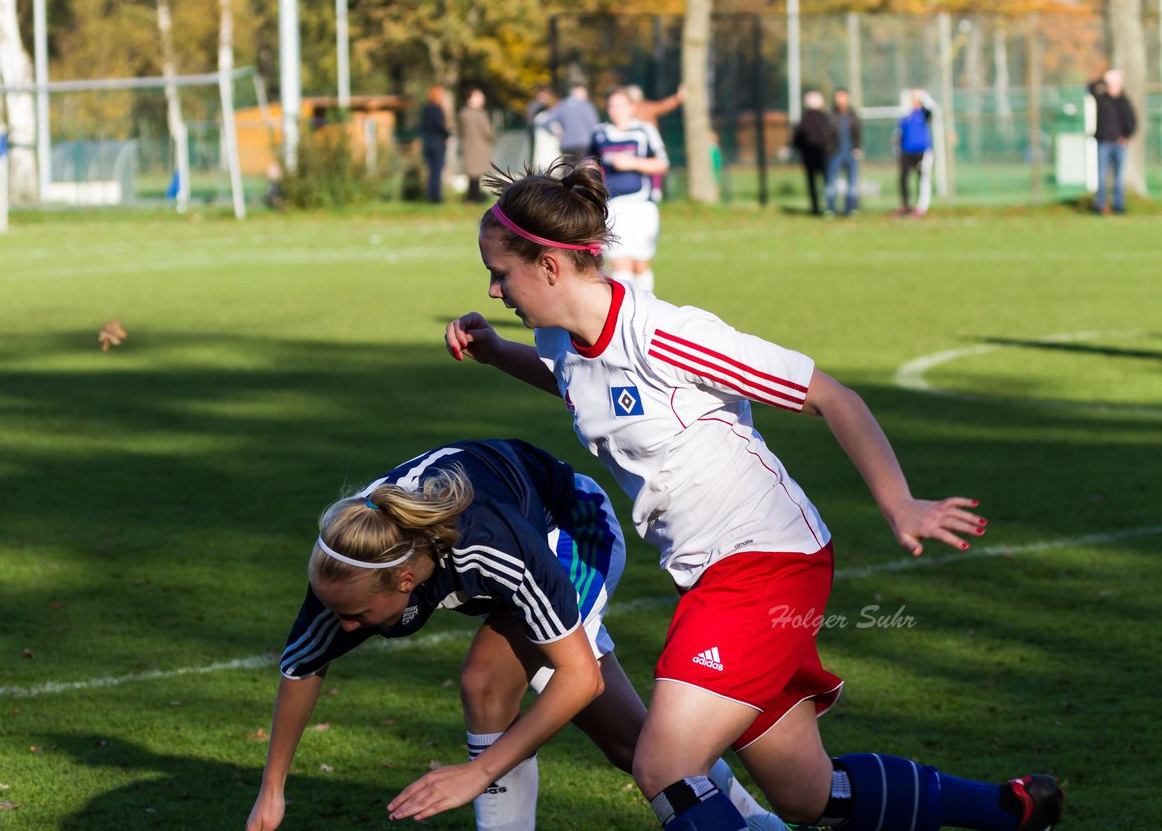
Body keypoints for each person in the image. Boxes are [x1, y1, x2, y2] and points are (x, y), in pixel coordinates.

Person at [443, 161, 1066, 831]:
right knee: (807, 795)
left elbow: (832, 396)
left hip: (765, 564)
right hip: (715, 574)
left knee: (664, 768)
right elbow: (577, 387)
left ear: (551, 268)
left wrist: (900, 503)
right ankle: (1010, 809)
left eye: (500, 272)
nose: (492, 287)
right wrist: (495, 351)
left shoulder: (667, 335)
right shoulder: (558, 338)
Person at [244, 439, 783, 831]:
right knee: (629, 744)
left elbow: (581, 678)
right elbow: (302, 666)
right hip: (508, 556)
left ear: (406, 579)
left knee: (486, 680)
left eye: (358, 616)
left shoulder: (488, 544)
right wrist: (272, 793)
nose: (346, 627)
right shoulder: (350, 565)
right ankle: (755, 820)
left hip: (571, 532)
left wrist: (479, 772)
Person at [589, 88, 668, 295]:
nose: (616, 111)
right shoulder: (600, 133)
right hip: (614, 206)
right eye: (612, 106)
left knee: (640, 263)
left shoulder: (644, 132)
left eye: (621, 106)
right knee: (620, 262)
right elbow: (589, 163)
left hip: (642, 205)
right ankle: (624, 313)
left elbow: (662, 164)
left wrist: (633, 162)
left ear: (631, 108)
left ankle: (647, 307)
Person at [1087, 68, 1135, 215]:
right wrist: (1104, 78)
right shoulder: (1102, 98)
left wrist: (1126, 136)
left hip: (1119, 144)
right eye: (1111, 84)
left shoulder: (1124, 101)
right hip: (1103, 143)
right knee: (1101, 175)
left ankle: (1118, 205)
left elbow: (1132, 121)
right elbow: (1090, 87)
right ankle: (1100, 205)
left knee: (1118, 177)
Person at [791, 92, 832, 216]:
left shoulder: (804, 120)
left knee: (812, 184)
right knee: (827, 182)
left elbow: (796, 140)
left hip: (809, 158)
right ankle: (829, 207)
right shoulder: (826, 118)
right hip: (824, 157)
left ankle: (815, 208)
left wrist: (802, 152)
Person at [896, 89, 934, 218]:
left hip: (922, 151)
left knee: (922, 179)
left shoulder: (924, 113)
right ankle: (905, 206)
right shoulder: (906, 115)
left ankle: (921, 207)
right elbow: (899, 133)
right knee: (903, 179)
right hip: (906, 151)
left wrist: (922, 96)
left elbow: (930, 110)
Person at [826, 89, 862, 217]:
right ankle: (830, 209)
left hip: (850, 151)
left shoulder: (853, 115)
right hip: (835, 152)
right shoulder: (830, 115)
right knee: (831, 182)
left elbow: (858, 132)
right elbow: (827, 135)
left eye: (843, 97)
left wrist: (857, 147)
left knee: (852, 183)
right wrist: (829, 150)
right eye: (839, 97)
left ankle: (851, 209)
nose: (841, 100)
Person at [542, 85, 600, 163]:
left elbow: (545, 121)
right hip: (584, 144)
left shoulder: (562, 105)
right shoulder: (586, 105)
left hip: (566, 144)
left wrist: (555, 133)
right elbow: (593, 124)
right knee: (584, 171)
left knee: (568, 171)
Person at [459, 88, 496, 204]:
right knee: (476, 173)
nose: (482, 99)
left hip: (468, 146)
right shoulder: (480, 114)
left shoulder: (463, 113)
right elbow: (488, 132)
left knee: (472, 174)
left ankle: (472, 196)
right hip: (480, 147)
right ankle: (474, 197)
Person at [420, 84, 452, 204]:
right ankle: (436, 198)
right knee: (437, 171)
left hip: (428, 143)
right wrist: (448, 133)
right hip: (437, 144)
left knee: (431, 172)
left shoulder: (425, 109)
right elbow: (439, 126)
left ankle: (430, 196)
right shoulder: (436, 109)